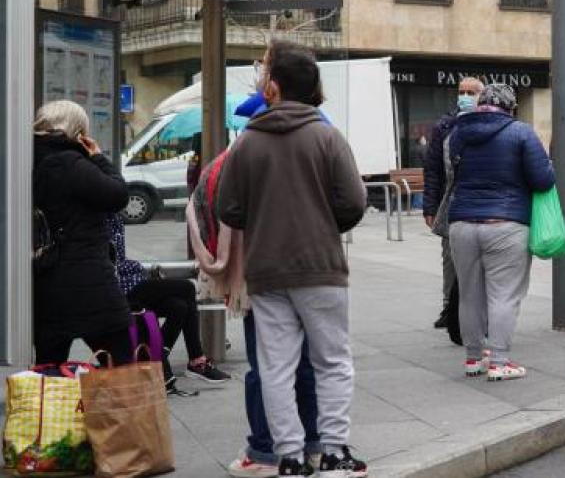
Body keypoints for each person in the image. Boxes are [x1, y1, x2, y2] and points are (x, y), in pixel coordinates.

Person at [217, 41, 369, 478]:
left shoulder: (247, 142)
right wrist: (325, 223)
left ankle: (289, 458)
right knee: (333, 360)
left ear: (274, 88)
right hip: (320, 266)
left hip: (266, 270)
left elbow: (227, 207)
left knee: (275, 366)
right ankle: (335, 452)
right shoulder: (327, 136)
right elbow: (354, 201)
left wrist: (262, 219)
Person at [190, 91, 324, 478]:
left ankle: (265, 453)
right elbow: (349, 202)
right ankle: (312, 446)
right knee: (307, 364)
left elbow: (212, 206)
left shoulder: (237, 158)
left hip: (261, 277)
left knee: (266, 365)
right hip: (312, 273)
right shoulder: (317, 147)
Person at [447, 84, 555, 382]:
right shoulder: (521, 132)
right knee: (503, 295)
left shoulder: (458, 133)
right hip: (506, 223)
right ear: (510, 107)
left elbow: (451, 174)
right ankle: (499, 361)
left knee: (469, 294)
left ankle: (473, 358)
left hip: (462, 223)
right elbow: (543, 181)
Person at [32, 100, 134, 367]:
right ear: (78, 131)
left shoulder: (29, 159)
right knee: (120, 364)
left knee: (49, 370)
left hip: (47, 283)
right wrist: (98, 157)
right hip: (87, 282)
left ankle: (50, 409)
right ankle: (122, 410)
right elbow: (118, 195)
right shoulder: (69, 162)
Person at [106, 214, 230, 394]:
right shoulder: (97, 214)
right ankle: (196, 360)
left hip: (130, 280)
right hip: (120, 288)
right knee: (186, 288)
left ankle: (158, 358)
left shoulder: (111, 212)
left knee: (178, 306)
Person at [423, 76, 485, 343]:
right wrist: (430, 205)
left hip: (479, 203)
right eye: (462, 91)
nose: (466, 96)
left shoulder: (487, 123)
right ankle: (449, 306)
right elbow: (433, 169)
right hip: (450, 201)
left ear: (482, 96)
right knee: (450, 258)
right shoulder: (445, 125)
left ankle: (475, 311)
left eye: (471, 92)